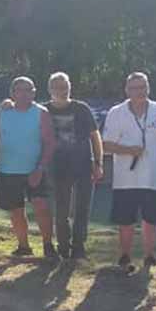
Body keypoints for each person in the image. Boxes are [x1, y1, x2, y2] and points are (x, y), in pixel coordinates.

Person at [102, 72, 156, 269]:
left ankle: (149, 255)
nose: (139, 91)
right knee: (125, 220)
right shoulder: (116, 112)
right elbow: (107, 145)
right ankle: (125, 255)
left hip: (153, 176)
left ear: (148, 88)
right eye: (134, 88)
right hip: (125, 178)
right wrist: (129, 150)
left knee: (151, 220)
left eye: (142, 87)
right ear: (127, 90)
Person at [0, 77, 56, 258]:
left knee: (41, 206)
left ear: (34, 92)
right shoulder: (3, 113)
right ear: (12, 93)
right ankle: (23, 247)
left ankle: (48, 246)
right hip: (8, 169)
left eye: (28, 90)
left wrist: (40, 168)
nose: (24, 94)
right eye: (19, 90)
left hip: (34, 169)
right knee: (16, 209)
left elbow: (49, 143)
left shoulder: (41, 113)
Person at [44, 72, 104, 260]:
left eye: (65, 87)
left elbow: (95, 137)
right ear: (50, 90)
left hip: (83, 165)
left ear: (70, 88)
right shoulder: (43, 111)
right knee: (61, 210)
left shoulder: (81, 109)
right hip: (57, 167)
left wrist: (98, 162)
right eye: (57, 88)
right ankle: (63, 245)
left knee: (82, 208)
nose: (62, 91)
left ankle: (78, 245)